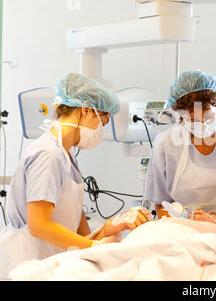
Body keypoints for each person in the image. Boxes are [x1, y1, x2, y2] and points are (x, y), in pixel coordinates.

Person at [0, 73, 150, 278]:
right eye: (103, 122)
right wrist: (95, 246)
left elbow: (79, 235)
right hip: (26, 261)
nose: (100, 131)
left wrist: (110, 227)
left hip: (51, 260)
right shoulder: (49, 155)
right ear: (86, 111)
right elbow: (39, 226)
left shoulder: (66, 157)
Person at [144, 70, 216, 228]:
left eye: (208, 116)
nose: (202, 124)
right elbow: (161, 204)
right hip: (189, 234)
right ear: (181, 117)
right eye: (193, 120)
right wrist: (185, 231)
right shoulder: (167, 144)